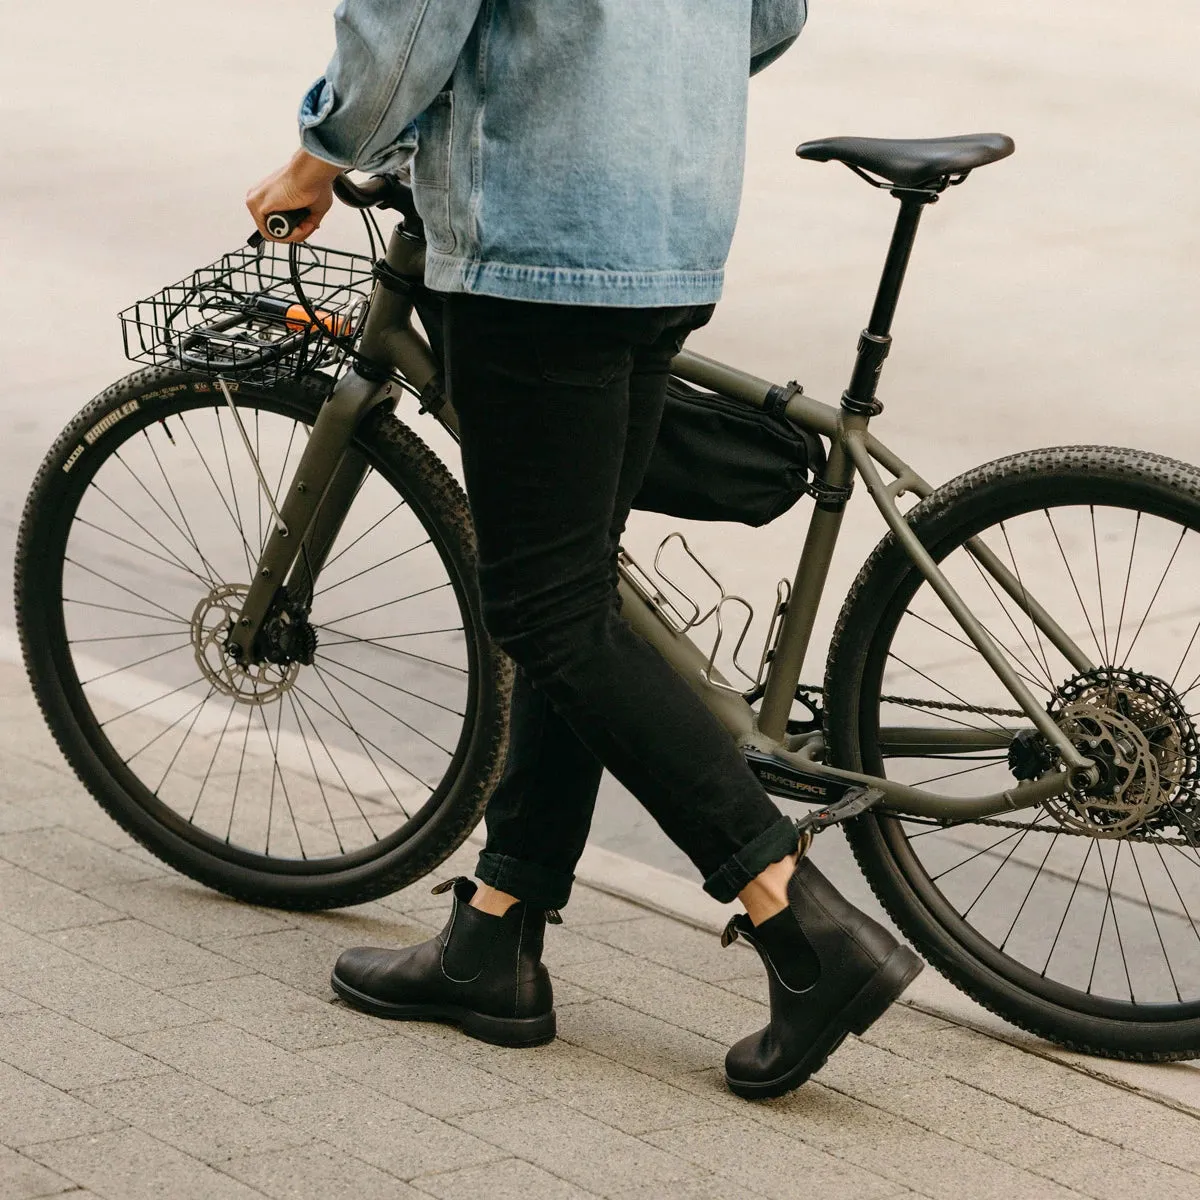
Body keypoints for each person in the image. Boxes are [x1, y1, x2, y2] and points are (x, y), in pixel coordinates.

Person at [246, 0, 922, 1100]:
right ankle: (496, 937)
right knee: (577, 588)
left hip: (538, 234)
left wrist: (321, 156)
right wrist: (649, 96)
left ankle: (799, 921)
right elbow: (773, 13)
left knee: (544, 608)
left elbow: (411, 23)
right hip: (671, 224)